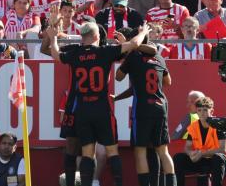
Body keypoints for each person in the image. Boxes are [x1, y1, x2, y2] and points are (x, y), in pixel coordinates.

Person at [47, 21, 150, 186]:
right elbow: (134, 44)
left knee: (88, 152)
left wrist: (53, 39)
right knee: (112, 151)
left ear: (82, 37)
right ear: (97, 36)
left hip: (82, 107)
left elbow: (56, 55)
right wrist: (144, 31)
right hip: (101, 106)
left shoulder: (75, 53)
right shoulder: (105, 52)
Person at [116, 30, 175, 186]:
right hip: (160, 106)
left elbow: (118, 76)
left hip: (142, 108)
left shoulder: (133, 57)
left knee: (140, 151)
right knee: (163, 151)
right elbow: (168, 82)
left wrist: (128, 51)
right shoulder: (159, 58)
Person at [173, 97, 226, 186]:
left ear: (212, 111)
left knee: (218, 158)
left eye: (205, 110)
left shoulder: (220, 125)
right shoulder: (193, 127)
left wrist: (201, 153)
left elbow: (222, 150)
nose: (202, 113)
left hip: (223, 160)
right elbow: (187, 147)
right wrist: (191, 154)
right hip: (201, 159)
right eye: (199, 110)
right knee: (178, 157)